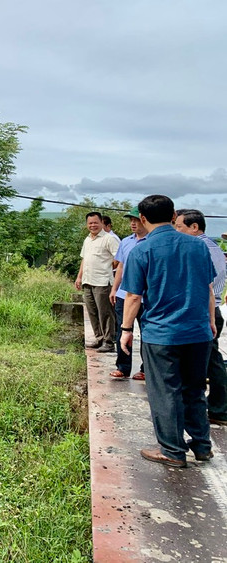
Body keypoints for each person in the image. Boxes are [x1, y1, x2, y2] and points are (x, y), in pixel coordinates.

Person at [120, 195, 216, 468]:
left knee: (165, 392)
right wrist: (210, 321)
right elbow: (208, 287)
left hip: (162, 334)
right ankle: (202, 446)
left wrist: (126, 329)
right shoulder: (198, 246)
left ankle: (173, 451)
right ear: (173, 215)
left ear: (142, 218)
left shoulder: (142, 250)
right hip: (198, 331)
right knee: (194, 389)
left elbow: (134, 297)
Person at [174, 209, 227, 427]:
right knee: (212, 361)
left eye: (179, 227)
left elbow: (203, 286)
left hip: (205, 311)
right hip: (209, 310)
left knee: (209, 362)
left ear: (194, 227)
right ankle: (217, 408)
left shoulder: (200, 248)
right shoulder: (212, 247)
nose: (176, 231)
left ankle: (217, 409)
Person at [108, 207, 146, 380]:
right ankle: (123, 367)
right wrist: (114, 289)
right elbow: (120, 267)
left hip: (145, 296)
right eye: (131, 220)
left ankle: (146, 369)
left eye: (136, 220)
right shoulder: (126, 242)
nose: (133, 223)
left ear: (145, 220)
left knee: (146, 332)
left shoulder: (151, 242)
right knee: (122, 330)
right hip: (125, 294)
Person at [76, 211, 120, 352]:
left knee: (105, 313)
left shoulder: (109, 239)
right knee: (92, 312)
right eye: (90, 223)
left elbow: (119, 258)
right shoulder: (87, 239)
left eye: (95, 222)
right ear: (86, 224)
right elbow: (84, 259)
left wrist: (109, 267)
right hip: (88, 281)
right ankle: (99, 338)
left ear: (101, 222)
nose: (93, 225)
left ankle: (109, 342)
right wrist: (79, 277)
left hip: (103, 282)